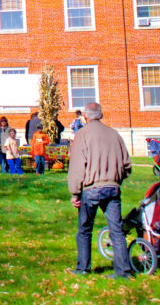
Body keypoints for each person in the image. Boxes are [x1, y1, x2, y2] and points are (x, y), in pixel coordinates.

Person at [67, 102, 132, 279]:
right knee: (116, 230)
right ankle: (123, 271)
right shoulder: (114, 134)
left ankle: (83, 268)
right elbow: (127, 165)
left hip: (91, 188)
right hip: (112, 188)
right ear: (101, 115)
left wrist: (75, 192)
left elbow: (77, 166)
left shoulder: (82, 135)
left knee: (85, 229)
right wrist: (116, 179)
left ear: (85, 116)